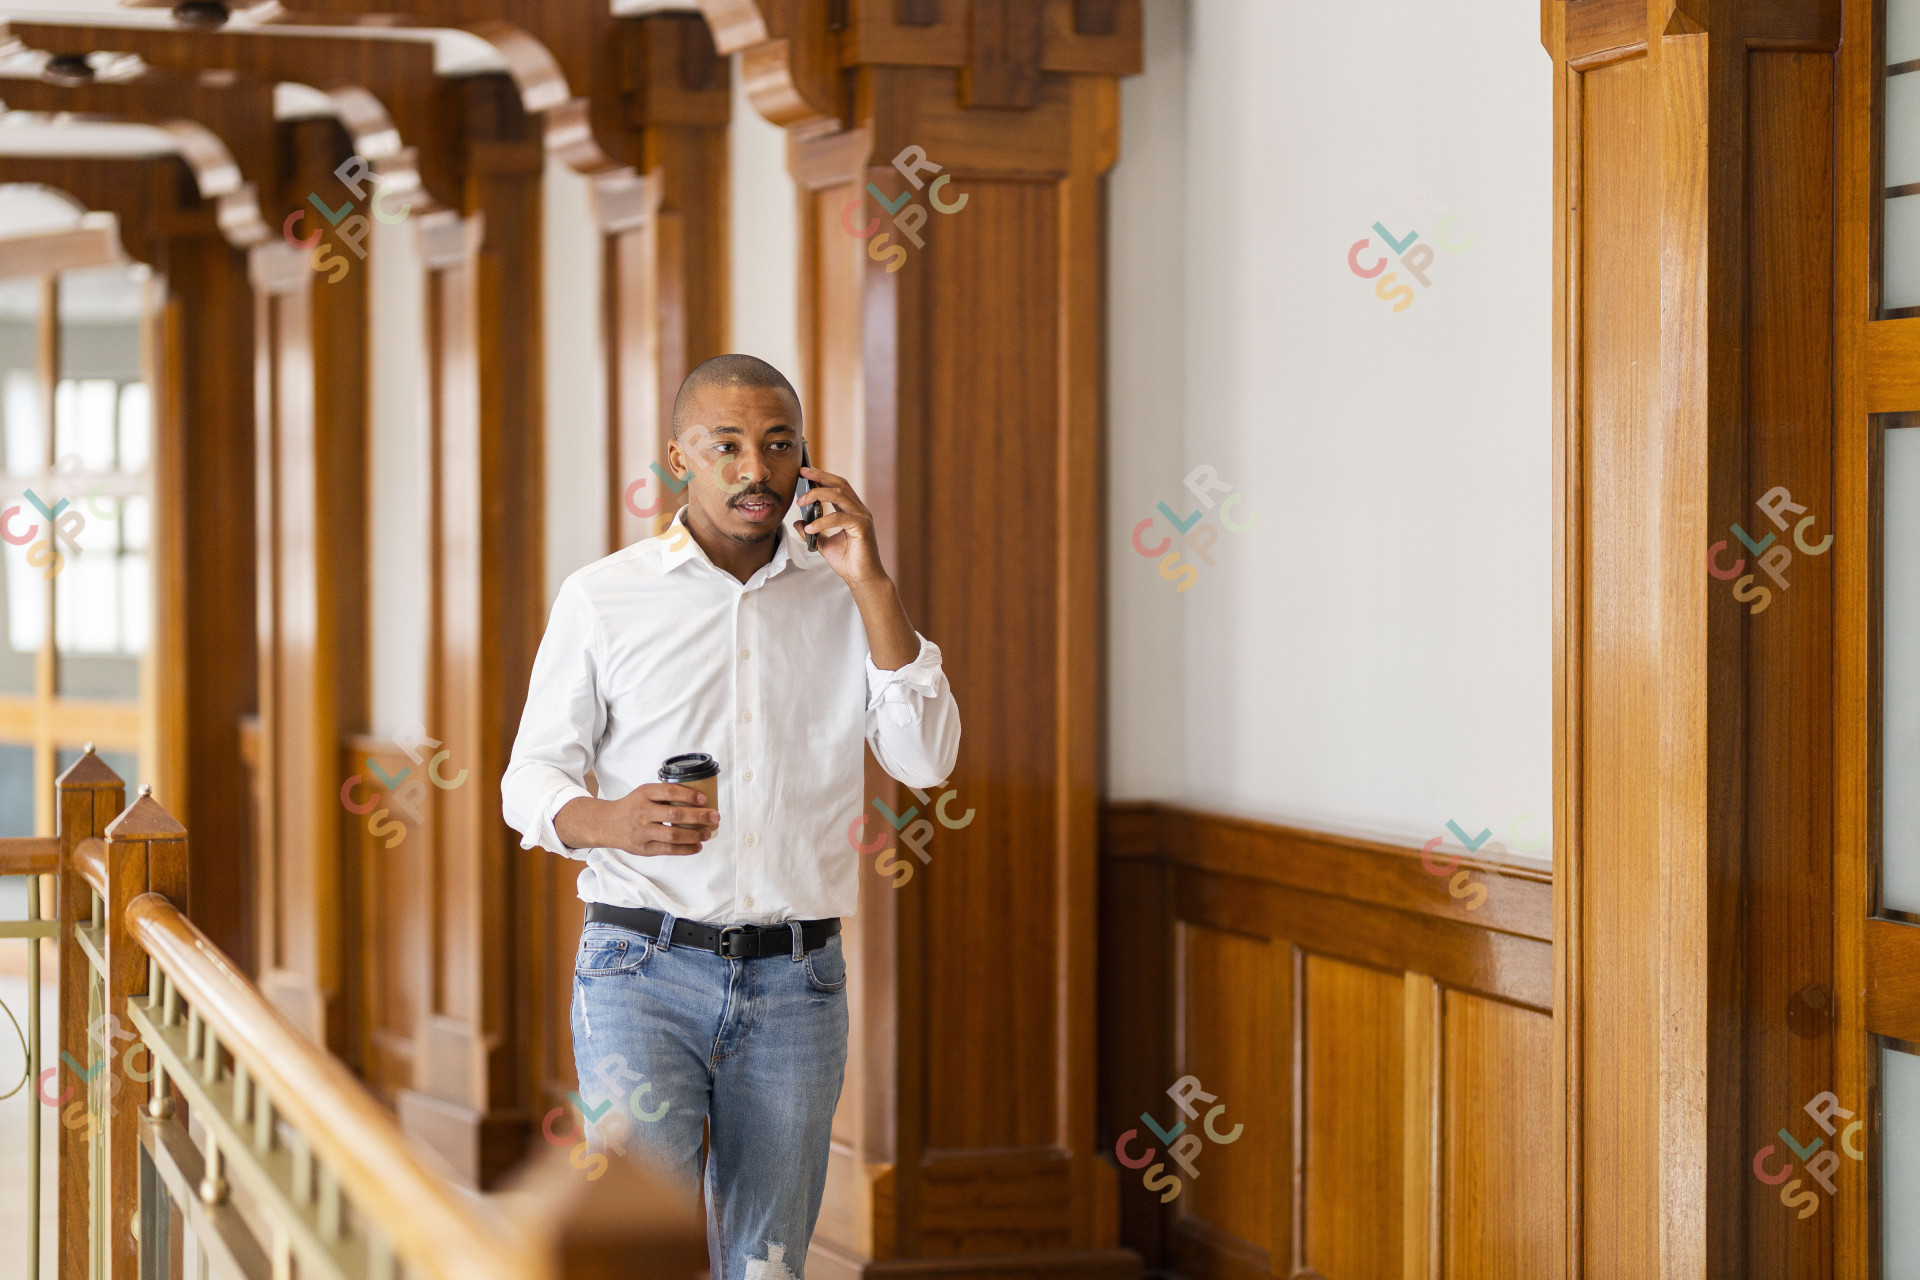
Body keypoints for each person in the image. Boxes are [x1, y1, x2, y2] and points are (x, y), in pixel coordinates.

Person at [502, 353, 959, 1278]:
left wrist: (872, 584)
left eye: (779, 445)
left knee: (767, 1265)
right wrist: (611, 820)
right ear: (680, 457)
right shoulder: (603, 596)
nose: (757, 469)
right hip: (640, 968)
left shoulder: (848, 594)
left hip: (799, 982)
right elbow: (528, 781)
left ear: (806, 458)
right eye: (729, 446)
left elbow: (925, 761)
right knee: (639, 1252)